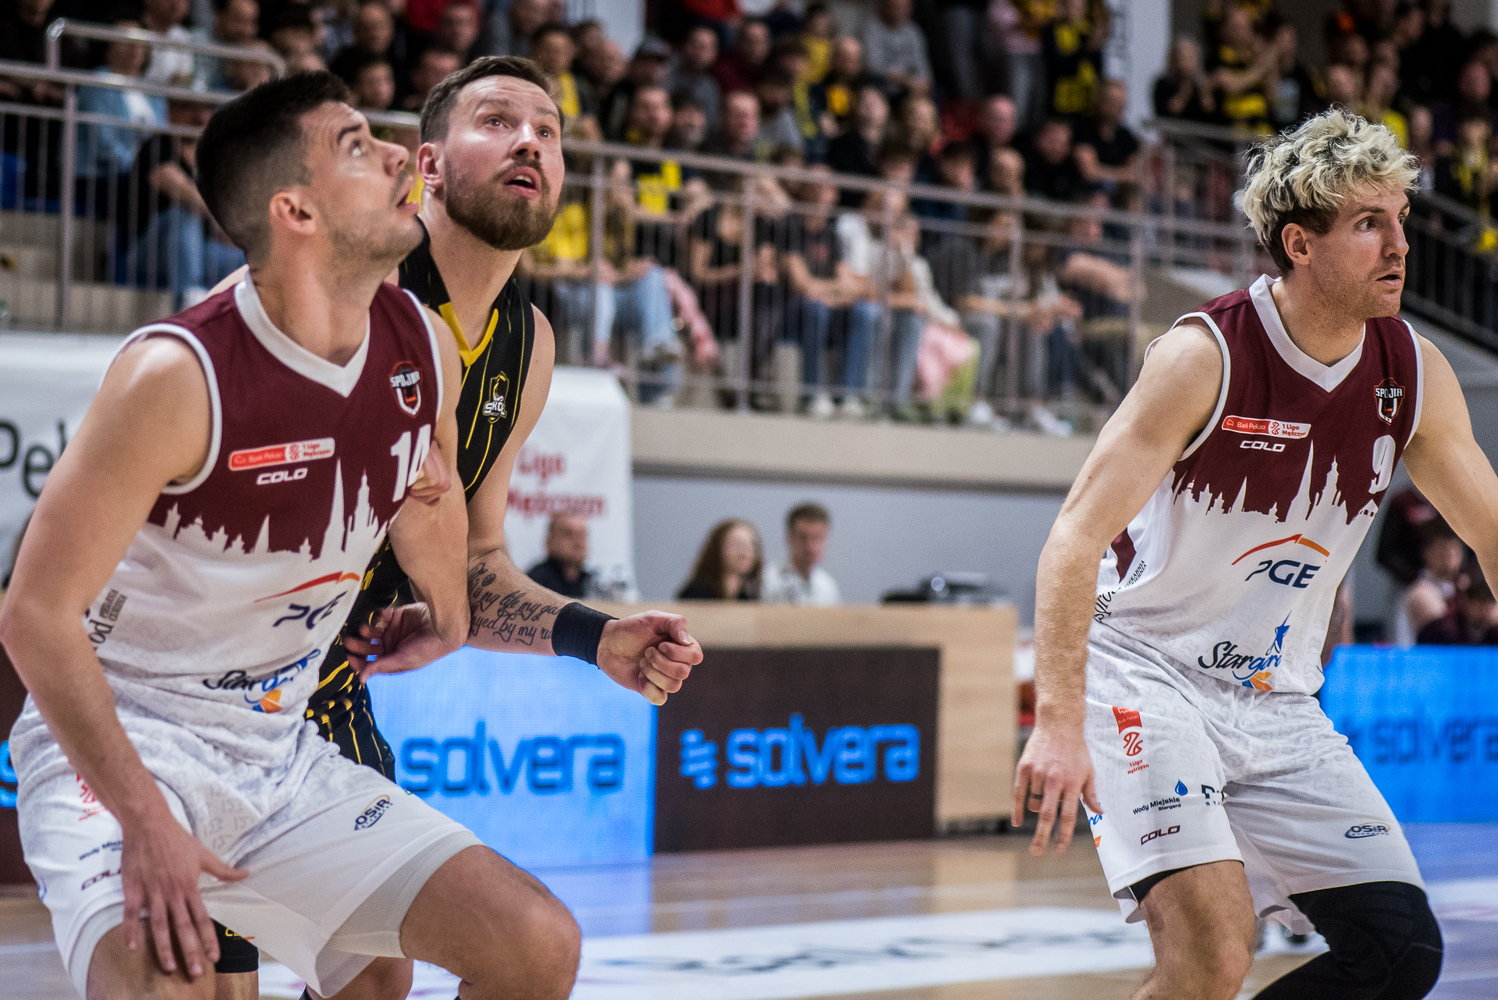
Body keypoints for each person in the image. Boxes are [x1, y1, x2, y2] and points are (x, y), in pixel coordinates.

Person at [207, 57, 704, 1000]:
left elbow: (474, 564)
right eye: (499, 121)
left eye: (548, 131)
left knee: (396, 977)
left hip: (327, 699)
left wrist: (594, 637)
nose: (531, 143)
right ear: (428, 164)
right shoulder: (348, 285)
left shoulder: (530, 342)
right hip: (213, 693)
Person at [0, 70, 493, 1000]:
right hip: (127, 739)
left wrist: (451, 615)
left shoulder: (424, 346)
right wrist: (144, 819)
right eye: (358, 145)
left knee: (528, 949)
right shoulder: (175, 374)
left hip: (274, 745)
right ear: (294, 210)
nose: (400, 155)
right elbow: (32, 614)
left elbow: (428, 496)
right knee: (171, 983)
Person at [1015, 109, 1458, 1000]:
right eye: (1369, 223)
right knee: (1212, 957)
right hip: (1144, 673)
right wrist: (1057, 720)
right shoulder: (1203, 355)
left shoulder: (1413, 370)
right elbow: (1073, 536)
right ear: (1300, 243)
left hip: (1275, 695)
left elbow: (1487, 532)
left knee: (1400, 952)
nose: (1398, 244)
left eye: (1401, 219)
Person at [1398, 519, 1468, 645]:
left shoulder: (1463, 587)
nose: (1449, 555)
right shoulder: (1420, 592)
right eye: (1442, 552)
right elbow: (1444, 633)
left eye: (1455, 551)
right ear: (1427, 553)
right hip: (1423, 655)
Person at [763, 503, 841, 605]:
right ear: (789, 538)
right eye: (803, 538)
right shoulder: (767, 580)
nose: (811, 547)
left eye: (817, 537)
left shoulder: (827, 586)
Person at [862, 0, 932, 99]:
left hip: (912, 90)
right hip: (882, 88)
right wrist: (906, 80)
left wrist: (922, 84)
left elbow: (923, 67)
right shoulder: (872, 29)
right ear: (883, 6)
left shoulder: (913, 31)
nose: (898, 11)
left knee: (926, 100)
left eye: (903, 7)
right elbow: (873, 67)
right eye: (894, 7)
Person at [677, 518, 763, 600]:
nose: (745, 554)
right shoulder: (695, 594)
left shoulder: (750, 595)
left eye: (750, 546)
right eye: (737, 545)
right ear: (717, 548)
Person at [669, 25, 723, 142]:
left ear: (715, 53)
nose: (700, 51)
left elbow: (711, 126)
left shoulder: (711, 86)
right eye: (695, 45)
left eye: (706, 48)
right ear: (685, 45)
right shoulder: (665, 75)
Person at [527, 513, 594, 598]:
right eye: (568, 534)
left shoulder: (591, 583)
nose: (578, 542)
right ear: (550, 541)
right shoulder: (535, 583)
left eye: (582, 535)